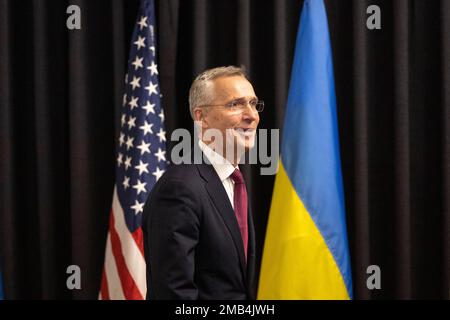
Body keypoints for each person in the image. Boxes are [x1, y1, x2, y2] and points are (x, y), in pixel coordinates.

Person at [142, 66, 263, 299]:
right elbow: (174, 295)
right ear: (201, 117)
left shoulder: (233, 180)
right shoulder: (180, 189)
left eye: (253, 103)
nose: (251, 115)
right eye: (235, 104)